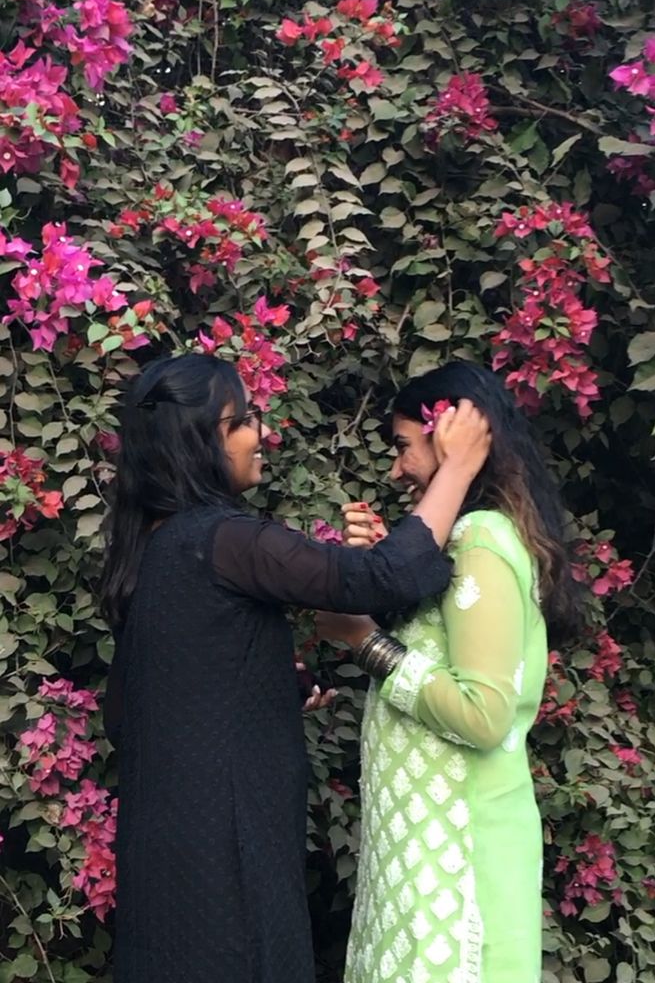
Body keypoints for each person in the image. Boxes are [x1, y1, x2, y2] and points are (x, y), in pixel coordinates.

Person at [98, 353, 491, 983]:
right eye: (245, 420)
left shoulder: (151, 547)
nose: (262, 434)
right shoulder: (227, 539)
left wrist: (268, 693)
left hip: (161, 863)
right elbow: (383, 577)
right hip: (229, 859)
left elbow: (131, 709)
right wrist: (461, 468)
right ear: (204, 438)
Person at [316, 362, 581, 983]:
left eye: (404, 447)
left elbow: (484, 716)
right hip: (424, 860)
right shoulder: (467, 540)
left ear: (450, 435)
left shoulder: (483, 542)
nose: (396, 469)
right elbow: (441, 649)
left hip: (457, 865)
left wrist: (365, 642)